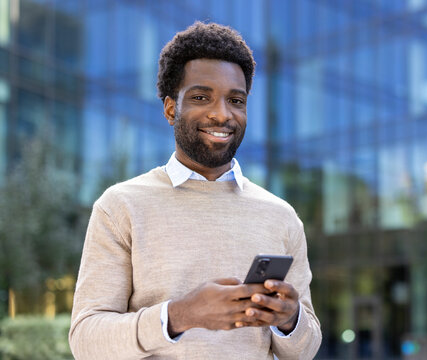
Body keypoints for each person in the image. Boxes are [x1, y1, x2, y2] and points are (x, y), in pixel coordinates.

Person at [69, 21, 321, 359]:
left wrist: (290, 320)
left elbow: (306, 349)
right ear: (171, 109)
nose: (222, 114)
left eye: (236, 100)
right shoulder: (121, 206)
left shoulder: (281, 216)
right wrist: (180, 315)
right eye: (202, 97)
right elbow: (86, 341)